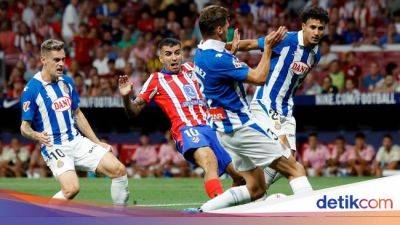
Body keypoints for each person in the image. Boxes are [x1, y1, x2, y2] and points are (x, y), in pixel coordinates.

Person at [191, 5, 312, 212]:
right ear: (220, 29)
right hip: (243, 128)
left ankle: (203, 211)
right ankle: (315, 214)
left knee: (256, 189)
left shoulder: (201, 52)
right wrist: (267, 49)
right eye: (227, 25)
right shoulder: (221, 60)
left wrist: (231, 50)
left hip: (225, 131)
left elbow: (220, 66)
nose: (229, 28)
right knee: (295, 169)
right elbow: (259, 78)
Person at [118, 38, 244, 199]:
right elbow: (134, 111)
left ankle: (231, 203)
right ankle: (217, 211)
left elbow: (216, 72)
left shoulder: (192, 68)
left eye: (177, 53)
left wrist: (230, 55)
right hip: (187, 130)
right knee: (209, 160)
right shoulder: (156, 79)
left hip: (213, 127)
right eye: (168, 54)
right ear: (161, 58)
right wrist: (126, 97)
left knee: (239, 175)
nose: (174, 57)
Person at [19, 39, 129, 205]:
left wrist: (97, 141)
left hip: (76, 141)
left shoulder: (67, 82)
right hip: (54, 146)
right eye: (56, 60)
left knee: (119, 170)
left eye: (63, 59)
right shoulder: (32, 89)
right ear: (43, 60)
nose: (61, 64)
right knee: (71, 189)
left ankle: (121, 217)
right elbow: (24, 128)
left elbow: (77, 113)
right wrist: (36, 135)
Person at [228, 7, 329, 184]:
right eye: (313, 27)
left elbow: (294, 80)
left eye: (320, 28)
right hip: (266, 103)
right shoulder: (286, 39)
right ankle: (253, 191)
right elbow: (251, 44)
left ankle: (253, 189)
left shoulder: (316, 53)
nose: (316, 32)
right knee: (286, 157)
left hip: (286, 108)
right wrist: (222, 48)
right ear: (303, 26)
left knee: (290, 156)